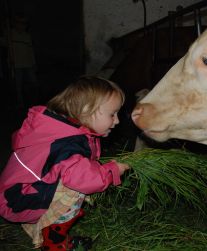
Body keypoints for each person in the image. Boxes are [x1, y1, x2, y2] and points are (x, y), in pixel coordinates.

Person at [0, 76, 130, 250]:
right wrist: (112, 170)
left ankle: (45, 227)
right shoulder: (68, 145)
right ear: (86, 111)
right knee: (74, 190)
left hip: (16, 193)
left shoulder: (62, 128)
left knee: (75, 175)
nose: (117, 120)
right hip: (16, 201)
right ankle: (53, 242)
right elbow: (86, 180)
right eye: (112, 114)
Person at [10, 13, 39, 110]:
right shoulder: (10, 34)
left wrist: (34, 63)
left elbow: (31, 51)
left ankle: (34, 101)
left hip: (28, 64)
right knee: (18, 85)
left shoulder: (27, 36)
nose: (22, 26)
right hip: (16, 64)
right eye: (20, 23)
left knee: (33, 83)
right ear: (15, 24)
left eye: (24, 24)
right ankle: (20, 102)